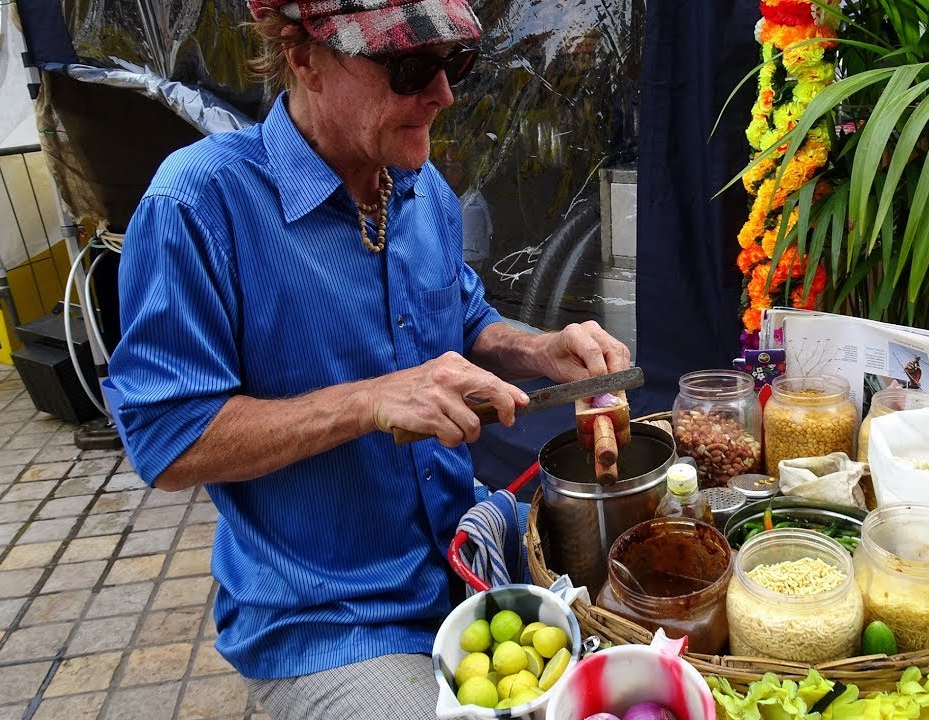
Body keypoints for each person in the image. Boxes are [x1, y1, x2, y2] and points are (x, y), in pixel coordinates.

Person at [106, 1, 631, 718]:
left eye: (454, 65)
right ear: (303, 58)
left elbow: (464, 315)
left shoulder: (421, 189)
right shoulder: (198, 203)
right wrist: (368, 400)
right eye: (408, 67)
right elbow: (166, 441)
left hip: (462, 558)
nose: (442, 94)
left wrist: (541, 349)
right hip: (330, 615)